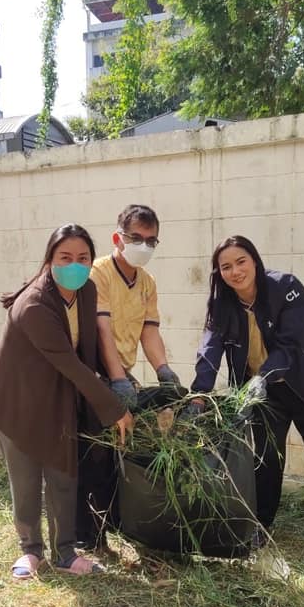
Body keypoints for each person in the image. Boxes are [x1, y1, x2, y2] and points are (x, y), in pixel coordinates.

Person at [189, 236, 304, 571]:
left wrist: (261, 379)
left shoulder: (286, 288)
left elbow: (289, 346)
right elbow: (210, 348)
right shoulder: (221, 304)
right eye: (226, 266)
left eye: (241, 261)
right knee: (263, 462)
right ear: (219, 273)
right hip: (264, 396)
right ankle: (258, 529)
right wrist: (200, 393)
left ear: (255, 261)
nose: (235, 271)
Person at [0, 224, 134, 579]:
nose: (75, 265)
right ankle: (31, 551)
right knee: (26, 476)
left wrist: (121, 379)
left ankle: (65, 552)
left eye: (83, 258)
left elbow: (87, 349)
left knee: (64, 471)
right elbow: (70, 362)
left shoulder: (87, 290)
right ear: (49, 259)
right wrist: (115, 409)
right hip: (16, 397)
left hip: (56, 393)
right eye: (65, 257)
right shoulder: (33, 304)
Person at [76, 204, 179, 549]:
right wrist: (118, 381)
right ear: (118, 237)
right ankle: (88, 537)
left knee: (121, 450)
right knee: (96, 456)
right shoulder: (99, 273)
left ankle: (116, 524)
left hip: (121, 373)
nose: (144, 246)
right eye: (137, 238)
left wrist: (164, 370)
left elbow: (149, 332)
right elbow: (101, 328)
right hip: (94, 374)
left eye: (152, 241)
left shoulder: (147, 282)